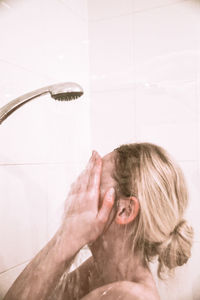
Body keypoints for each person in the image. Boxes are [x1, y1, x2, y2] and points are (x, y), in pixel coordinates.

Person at [4, 143, 193, 300]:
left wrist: (68, 235)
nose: (77, 187)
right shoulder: (98, 270)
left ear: (125, 210)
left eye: (92, 183)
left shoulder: (130, 297)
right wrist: (68, 236)